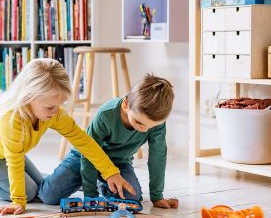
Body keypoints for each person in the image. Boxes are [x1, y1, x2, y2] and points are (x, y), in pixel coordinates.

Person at [0, 58, 135, 216]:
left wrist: (110, 171)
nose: (56, 111)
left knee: (41, 187)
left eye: (59, 105)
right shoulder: (10, 119)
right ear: (28, 97)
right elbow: (14, 162)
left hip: (5, 152)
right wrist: (18, 201)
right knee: (30, 193)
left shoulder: (53, 112)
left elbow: (83, 140)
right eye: (51, 107)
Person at [40, 74, 179, 209]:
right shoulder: (107, 114)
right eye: (139, 122)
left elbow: (158, 157)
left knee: (131, 199)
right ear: (126, 104)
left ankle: (97, 182)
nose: (144, 129)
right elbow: (89, 153)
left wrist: (157, 196)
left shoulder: (156, 123)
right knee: (49, 196)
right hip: (85, 157)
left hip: (119, 163)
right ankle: (84, 180)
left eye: (151, 126)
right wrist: (91, 195)